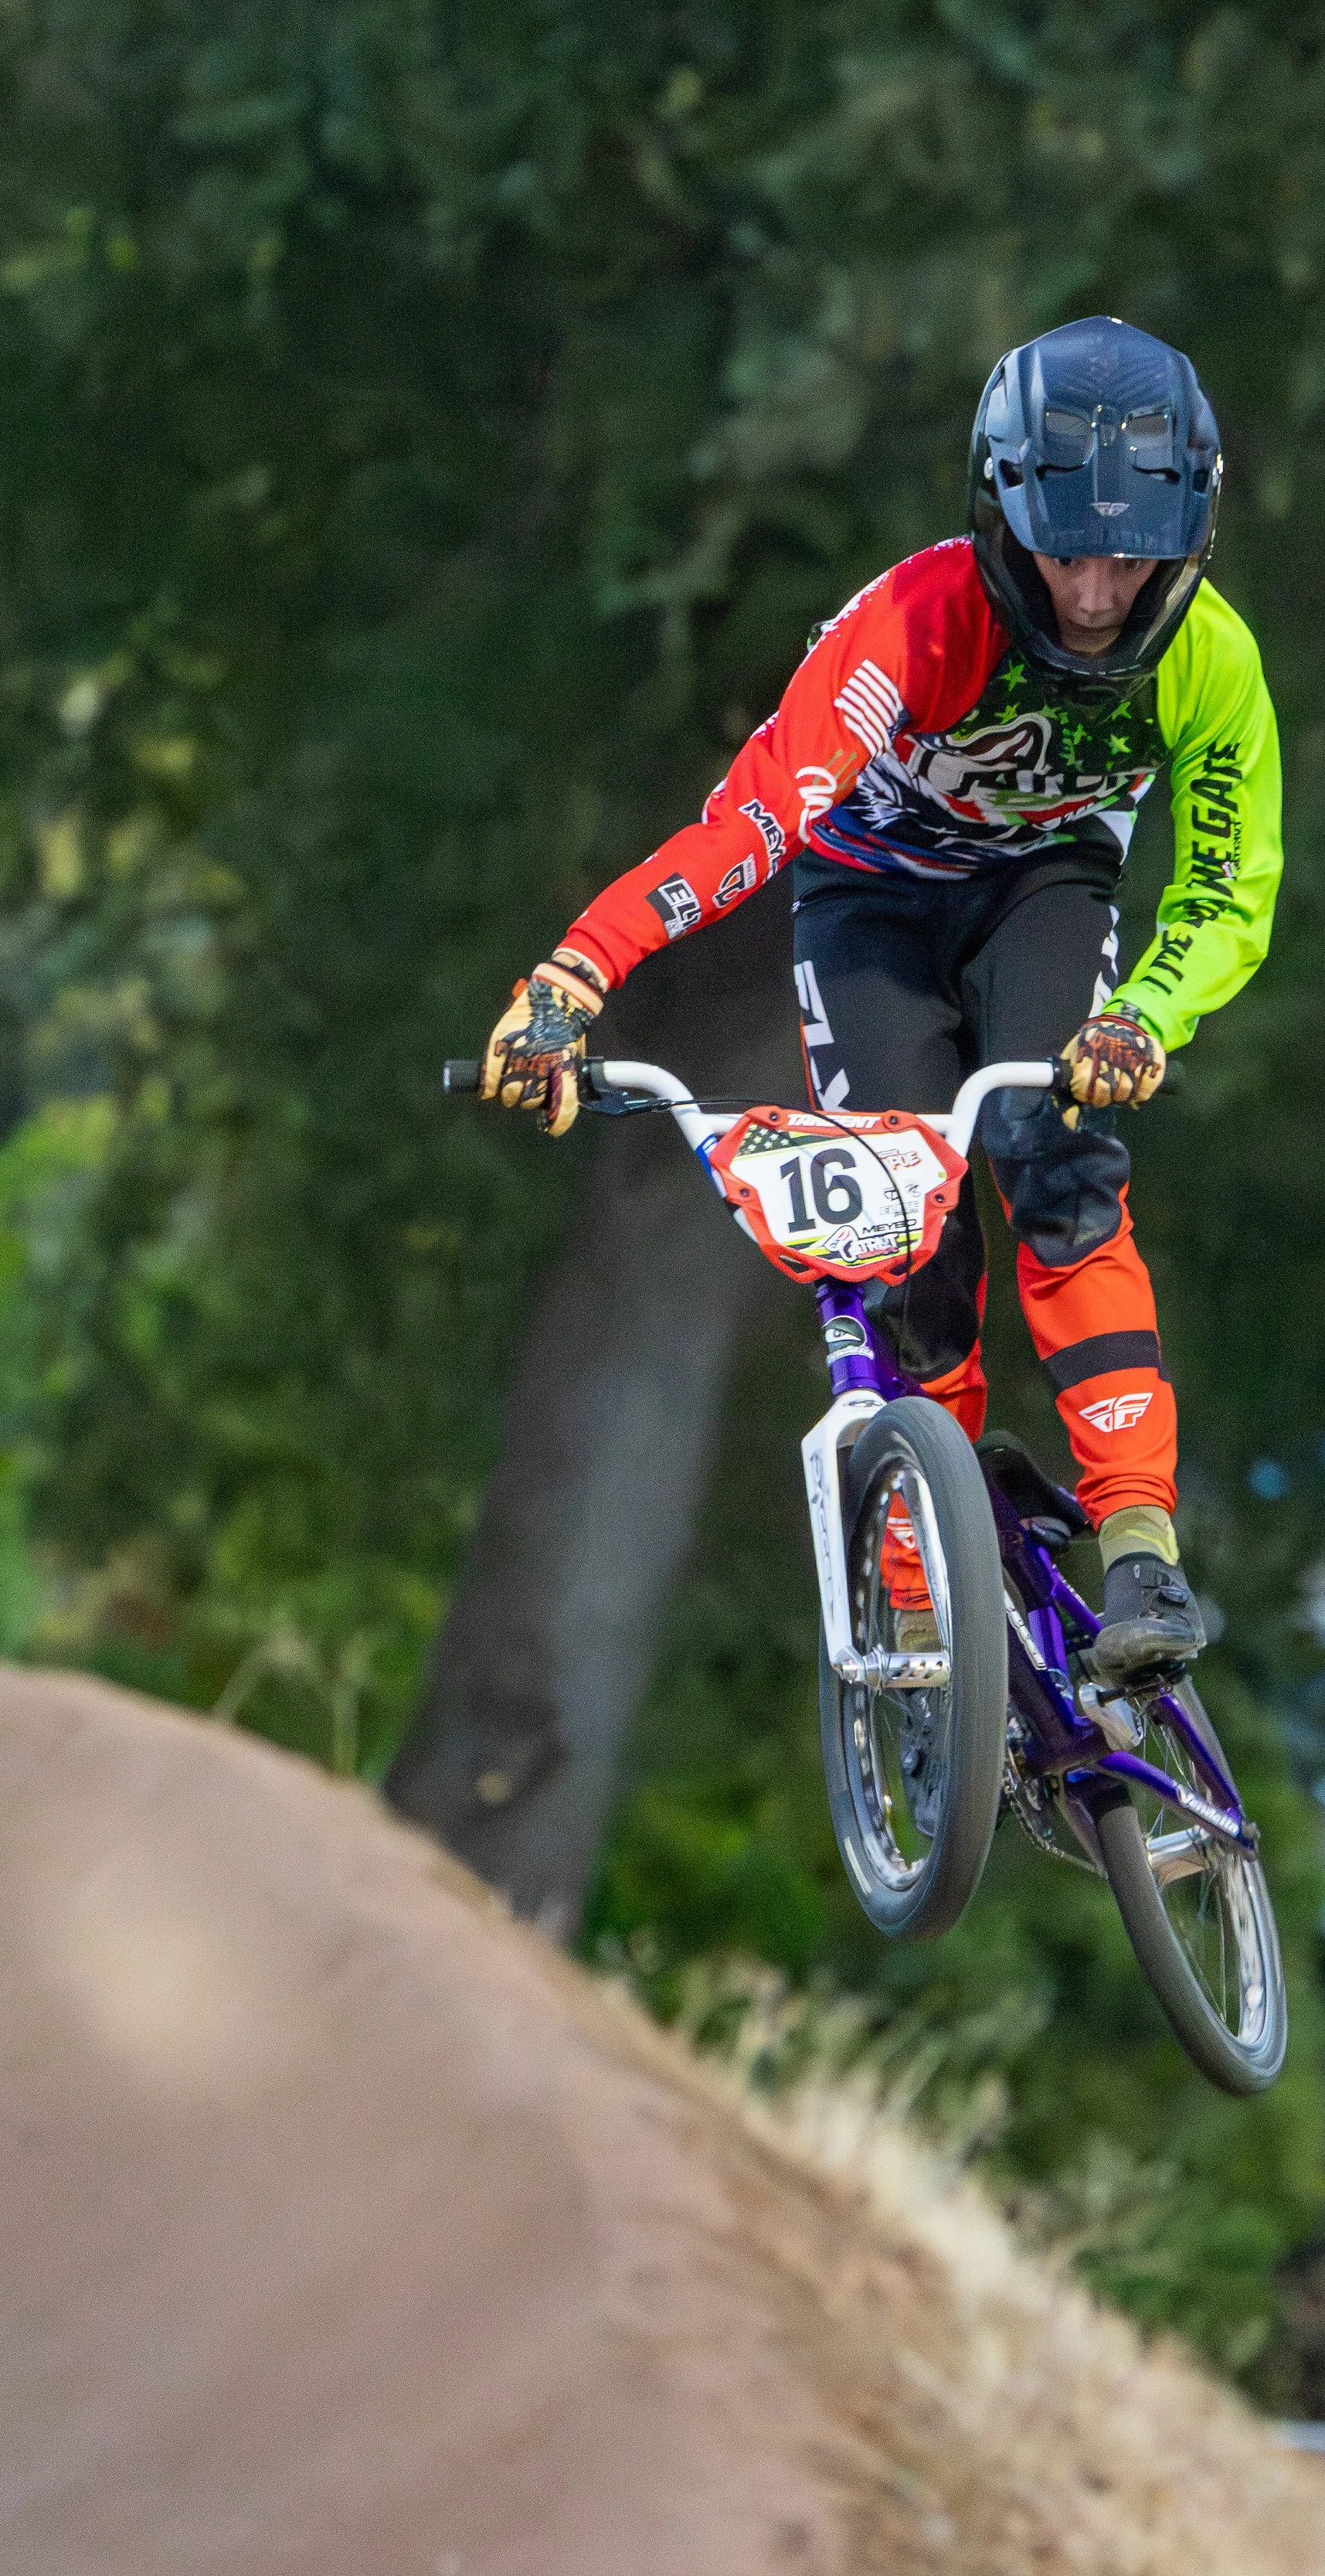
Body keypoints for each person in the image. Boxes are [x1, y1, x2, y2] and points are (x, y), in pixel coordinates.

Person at [481, 316, 1283, 1680]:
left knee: (1056, 1158)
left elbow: (1226, 890)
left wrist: (1142, 1017)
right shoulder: (911, 626)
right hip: (873, 899)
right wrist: (575, 974)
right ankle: (930, 1541)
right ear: (999, 516)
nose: (1093, 593)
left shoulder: (1212, 662)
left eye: (1129, 555)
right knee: (901, 1219)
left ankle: (1140, 1547)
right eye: (1063, 551)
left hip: (1050, 885)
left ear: (1190, 536)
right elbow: (744, 834)